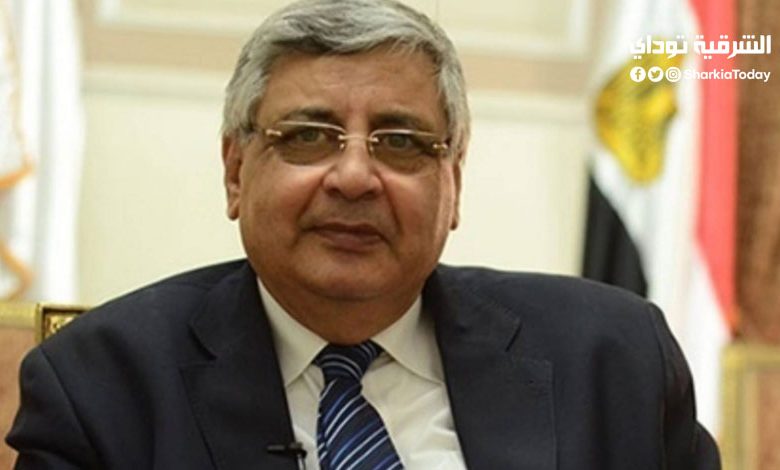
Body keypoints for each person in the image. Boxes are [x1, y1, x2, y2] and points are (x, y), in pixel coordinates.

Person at [7, 0, 720, 468]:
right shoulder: (100, 387)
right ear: (235, 171)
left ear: (453, 183)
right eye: (308, 136)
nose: (353, 177)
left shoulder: (613, 361)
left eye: (401, 142)